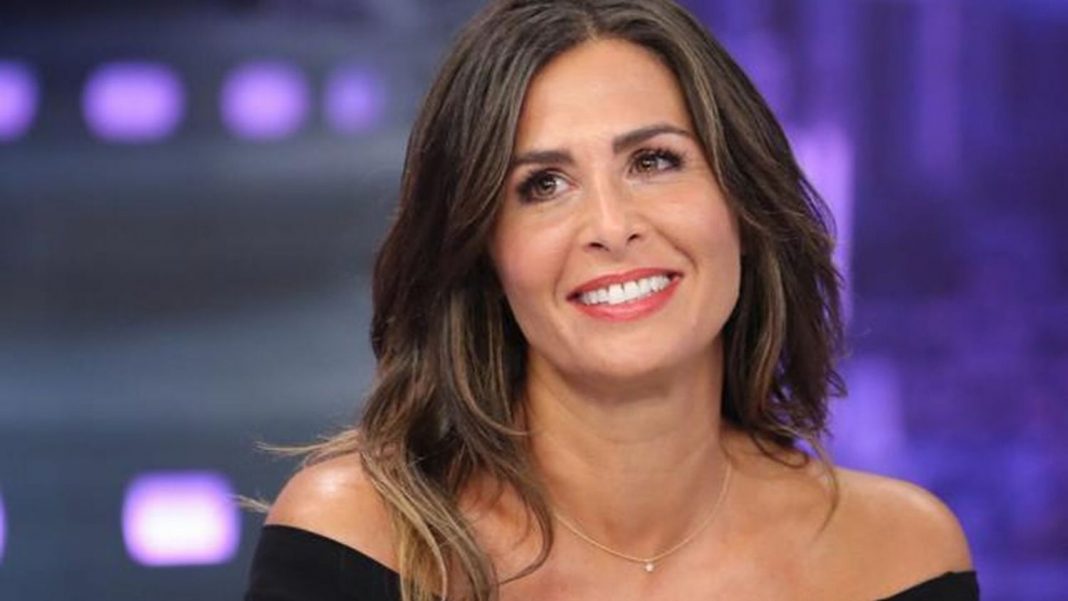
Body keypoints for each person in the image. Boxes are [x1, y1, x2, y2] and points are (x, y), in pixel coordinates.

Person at [244, 1, 979, 599]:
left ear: (743, 205)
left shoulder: (899, 555)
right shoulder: (356, 541)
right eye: (543, 185)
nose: (611, 224)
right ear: (484, 254)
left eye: (654, 161)